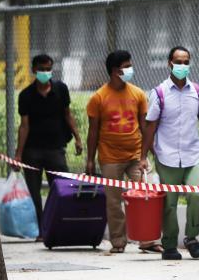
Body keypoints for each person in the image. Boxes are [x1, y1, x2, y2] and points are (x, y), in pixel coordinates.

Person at [139, 46, 199, 261]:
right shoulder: (159, 93)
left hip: (192, 156)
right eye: (178, 62)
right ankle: (169, 245)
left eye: (185, 62)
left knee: (197, 194)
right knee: (169, 203)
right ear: (169, 63)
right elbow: (150, 126)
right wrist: (143, 157)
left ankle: (191, 237)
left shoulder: (197, 92)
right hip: (166, 157)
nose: (182, 66)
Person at [86, 50, 160, 254]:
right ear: (114, 70)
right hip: (110, 158)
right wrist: (90, 160)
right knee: (114, 202)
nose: (130, 69)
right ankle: (118, 242)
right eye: (126, 66)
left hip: (136, 156)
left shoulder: (137, 94)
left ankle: (148, 240)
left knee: (146, 196)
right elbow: (93, 132)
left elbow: (145, 127)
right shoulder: (98, 98)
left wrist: (150, 153)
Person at [14, 54, 83, 228]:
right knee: (34, 192)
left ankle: (61, 225)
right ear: (34, 70)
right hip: (32, 151)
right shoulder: (26, 95)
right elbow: (24, 126)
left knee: (61, 188)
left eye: (48, 69)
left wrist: (77, 138)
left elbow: (68, 115)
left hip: (56, 149)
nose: (45, 73)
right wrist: (18, 154)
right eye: (41, 70)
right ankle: (41, 228)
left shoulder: (61, 90)